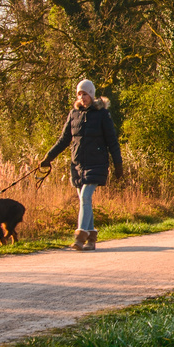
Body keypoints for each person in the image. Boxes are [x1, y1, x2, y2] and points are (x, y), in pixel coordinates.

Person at [40, 79, 122, 251]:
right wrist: (49, 157)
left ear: (91, 95)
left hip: (97, 163)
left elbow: (112, 141)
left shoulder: (102, 115)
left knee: (85, 197)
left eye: (85, 94)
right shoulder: (73, 115)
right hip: (77, 165)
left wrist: (118, 164)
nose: (82, 97)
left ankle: (80, 237)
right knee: (84, 200)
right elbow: (63, 140)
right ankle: (91, 240)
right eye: (79, 94)